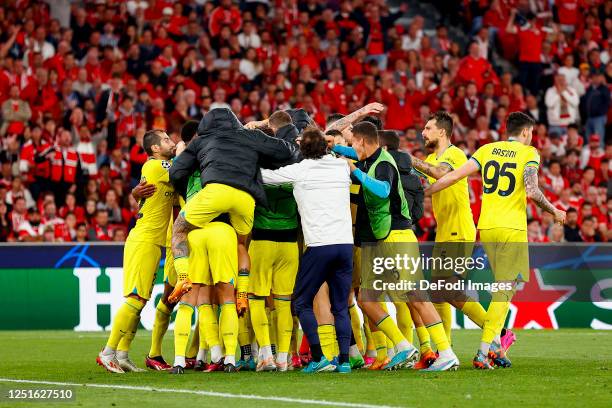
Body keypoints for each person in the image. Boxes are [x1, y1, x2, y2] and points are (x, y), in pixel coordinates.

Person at [427, 112, 566, 369]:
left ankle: (493, 347)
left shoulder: (487, 149)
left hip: (486, 226)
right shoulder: (529, 153)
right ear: (526, 132)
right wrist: (555, 211)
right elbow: (533, 191)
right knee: (504, 290)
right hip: (511, 228)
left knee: (502, 289)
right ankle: (486, 350)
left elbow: (454, 176)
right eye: (531, 133)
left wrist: (426, 190)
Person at [332, 121, 457, 372]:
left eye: (354, 143)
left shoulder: (385, 163)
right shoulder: (368, 156)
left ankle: (446, 352)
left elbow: (382, 191)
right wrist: (331, 147)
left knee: (416, 297)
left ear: (365, 142)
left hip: (398, 236)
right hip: (380, 239)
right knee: (367, 299)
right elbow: (348, 153)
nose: (351, 148)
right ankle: (403, 346)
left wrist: (354, 171)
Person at [168, 108, 298, 304]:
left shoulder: (201, 141)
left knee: (179, 230)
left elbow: (176, 172)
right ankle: (242, 292)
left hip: (216, 192)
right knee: (240, 244)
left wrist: (186, 188)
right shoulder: (250, 136)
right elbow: (286, 151)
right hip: (246, 198)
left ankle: (184, 278)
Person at [260, 127, 354, 373]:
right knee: (340, 306)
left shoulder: (300, 169)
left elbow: (265, 177)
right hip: (345, 245)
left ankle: (319, 357)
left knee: (301, 301)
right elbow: (354, 155)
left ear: (302, 150)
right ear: (326, 147)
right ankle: (344, 361)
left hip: (319, 246)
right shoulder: (342, 166)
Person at [408, 111, 490, 368]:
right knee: (439, 294)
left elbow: (439, 173)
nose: (424, 132)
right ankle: (446, 350)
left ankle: (496, 333)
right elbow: (427, 181)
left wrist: (408, 160)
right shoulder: (432, 157)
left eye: (428, 128)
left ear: (442, 132)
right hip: (445, 231)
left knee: (447, 289)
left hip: (458, 229)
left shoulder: (454, 154)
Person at [96, 129, 176, 374]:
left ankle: (122, 354)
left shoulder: (159, 168)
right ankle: (107, 352)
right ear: (154, 148)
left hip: (152, 242)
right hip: (144, 240)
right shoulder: (157, 165)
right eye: (166, 140)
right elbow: (184, 168)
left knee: (141, 300)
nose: (171, 143)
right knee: (135, 299)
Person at [246, 111, 301, 372]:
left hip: (262, 241)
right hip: (290, 243)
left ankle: (265, 356)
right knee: (284, 303)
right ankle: (283, 359)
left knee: (257, 300)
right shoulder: (298, 168)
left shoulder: (256, 168)